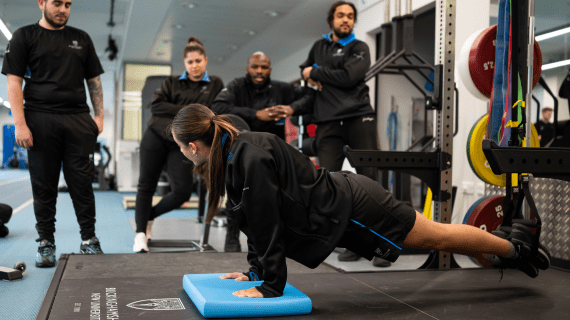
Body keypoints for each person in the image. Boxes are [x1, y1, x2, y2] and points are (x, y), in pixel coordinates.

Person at [171, 104, 550, 298]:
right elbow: (253, 223)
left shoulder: (247, 157)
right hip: (341, 207)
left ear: (192, 146)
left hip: (356, 207)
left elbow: (267, 224)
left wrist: (269, 285)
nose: (184, 155)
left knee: (438, 237)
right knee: (438, 236)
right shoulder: (234, 152)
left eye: (180, 149)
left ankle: (518, 249)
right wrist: (255, 272)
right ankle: (515, 248)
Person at [2, 0, 105, 268]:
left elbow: (93, 79)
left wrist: (99, 116)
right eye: (57, 3)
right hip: (39, 118)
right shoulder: (25, 36)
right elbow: (13, 81)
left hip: (78, 119)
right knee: (44, 186)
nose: (63, 9)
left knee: (82, 185)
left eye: (68, 4)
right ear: (42, 3)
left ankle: (89, 240)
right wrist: (20, 124)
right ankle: (46, 243)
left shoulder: (81, 38)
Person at [299, 1, 385, 266]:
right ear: (331, 19)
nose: (345, 19)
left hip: (359, 116)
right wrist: (312, 73)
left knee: (370, 178)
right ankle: (351, 240)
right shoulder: (319, 46)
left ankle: (381, 244)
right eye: (340, 15)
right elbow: (303, 70)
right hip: (328, 122)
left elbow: (350, 77)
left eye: (350, 16)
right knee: (327, 183)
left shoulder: (360, 48)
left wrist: (316, 72)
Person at [210, 51, 315, 252]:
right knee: (235, 193)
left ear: (270, 69)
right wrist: (256, 114)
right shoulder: (236, 86)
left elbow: (310, 96)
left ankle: (269, 242)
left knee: (270, 197)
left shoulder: (281, 89)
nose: (259, 71)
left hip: (269, 151)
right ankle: (232, 236)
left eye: (264, 67)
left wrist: (291, 108)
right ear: (247, 68)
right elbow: (217, 106)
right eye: (255, 67)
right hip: (238, 149)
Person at [133, 40, 224, 253]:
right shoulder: (172, 82)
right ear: (185, 62)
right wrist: (191, 111)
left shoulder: (215, 84)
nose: (194, 65)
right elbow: (155, 105)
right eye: (190, 61)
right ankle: (140, 234)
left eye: (198, 61)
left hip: (182, 144)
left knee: (183, 192)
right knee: (146, 185)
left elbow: (214, 111)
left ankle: (149, 216)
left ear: (205, 60)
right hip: (155, 135)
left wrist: (174, 111)